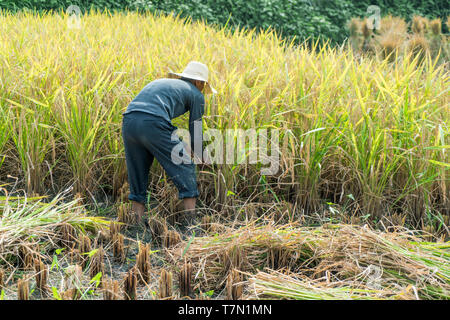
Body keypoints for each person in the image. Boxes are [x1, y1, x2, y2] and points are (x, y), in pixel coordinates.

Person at [121, 61, 215, 228]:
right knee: (185, 164)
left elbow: (161, 126)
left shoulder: (165, 83)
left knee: (138, 173)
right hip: (153, 121)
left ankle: (135, 225)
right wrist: (201, 156)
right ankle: (191, 223)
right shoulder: (196, 94)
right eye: (203, 86)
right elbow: (196, 129)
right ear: (199, 82)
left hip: (129, 121)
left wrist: (187, 147)